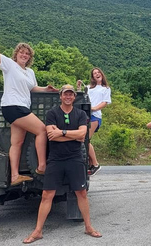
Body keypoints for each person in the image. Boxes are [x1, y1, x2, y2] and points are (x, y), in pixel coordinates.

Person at [0, 18, 57, 186]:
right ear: (16, 54)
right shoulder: (9, 65)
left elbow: (32, 88)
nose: (24, 55)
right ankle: (42, 166)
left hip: (20, 107)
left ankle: (15, 176)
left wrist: (46, 89)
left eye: (27, 54)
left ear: (30, 57)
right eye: (22, 52)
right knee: (42, 130)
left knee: (17, 142)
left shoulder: (30, 72)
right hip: (13, 106)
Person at [23, 85, 101, 244]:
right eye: (65, 94)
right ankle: (38, 231)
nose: (68, 97)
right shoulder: (52, 113)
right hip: (56, 159)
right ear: (61, 96)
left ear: (74, 97)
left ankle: (88, 227)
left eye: (71, 94)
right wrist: (69, 135)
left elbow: (82, 134)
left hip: (75, 158)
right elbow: (51, 136)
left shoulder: (79, 114)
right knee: (47, 195)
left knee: (82, 193)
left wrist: (62, 132)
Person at [77, 67, 111, 176]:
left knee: (85, 139)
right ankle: (90, 163)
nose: (96, 74)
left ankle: (95, 164)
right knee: (83, 139)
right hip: (84, 115)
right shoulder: (88, 87)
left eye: (98, 72)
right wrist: (78, 87)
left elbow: (105, 102)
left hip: (95, 116)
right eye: (94, 73)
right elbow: (80, 97)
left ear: (101, 74)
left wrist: (94, 108)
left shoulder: (105, 88)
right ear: (92, 76)